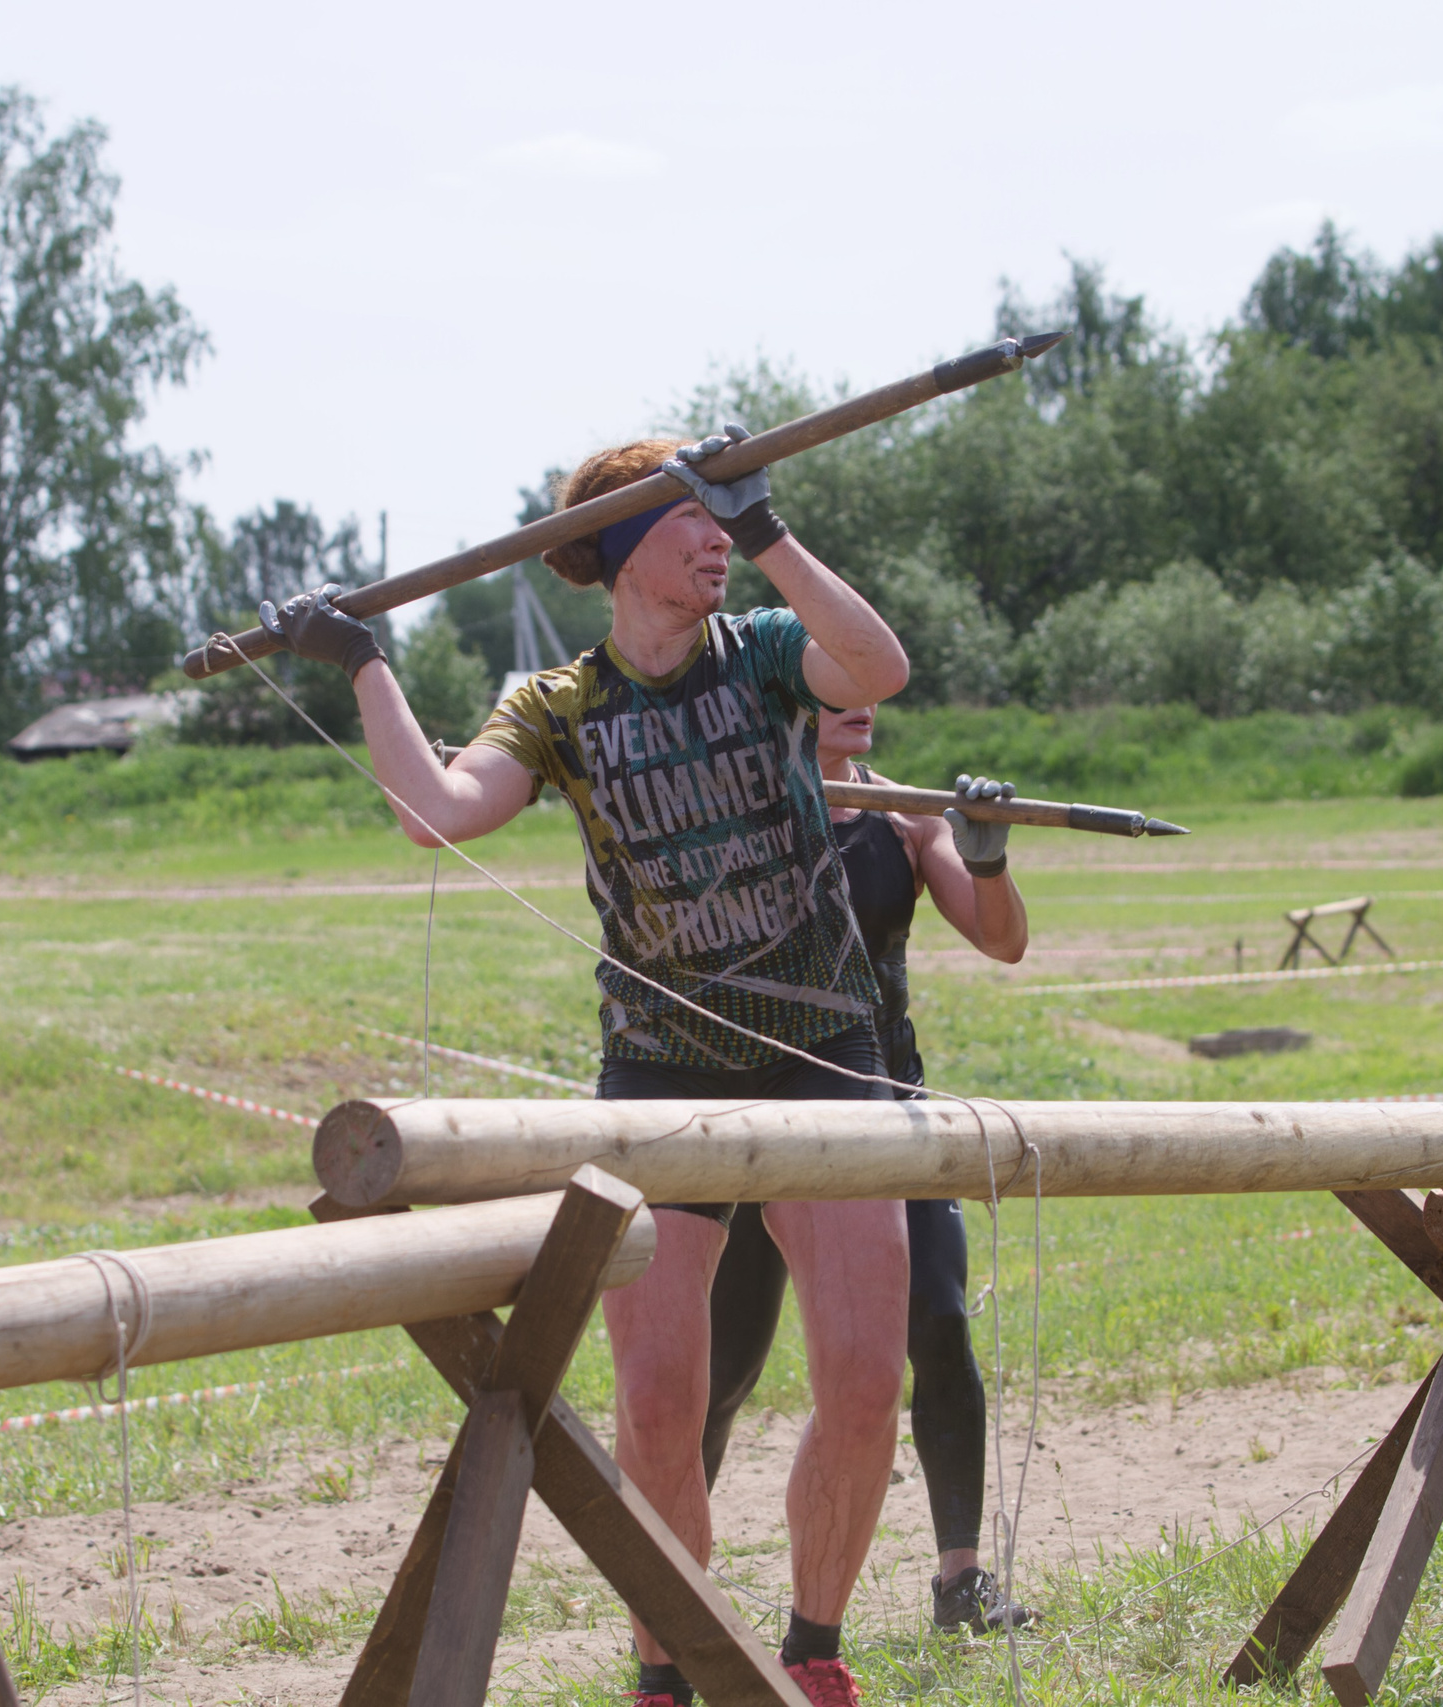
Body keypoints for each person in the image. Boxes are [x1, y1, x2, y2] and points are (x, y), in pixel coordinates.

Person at [258, 427, 911, 1705]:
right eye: (693, 522)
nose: (716, 540)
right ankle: (672, 1671)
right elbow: (435, 813)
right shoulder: (556, 708)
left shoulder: (771, 655)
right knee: (656, 1412)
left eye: (726, 521)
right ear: (620, 548)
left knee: (861, 1382)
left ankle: (812, 1654)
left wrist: (769, 521)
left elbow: (877, 664)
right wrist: (363, 666)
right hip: (658, 1078)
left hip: (824, 1051)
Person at [700, 704, 1039, 1635]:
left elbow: (1003, 939)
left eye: (871, 685)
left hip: (890, 1110)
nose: (863, 705)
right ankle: (670, 1591)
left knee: (938, 1320)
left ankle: (960, 1580)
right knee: (724, 1364)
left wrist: (987, 855)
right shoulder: (745, 811)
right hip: (762, 1124)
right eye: (836, 684)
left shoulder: (908, 817)